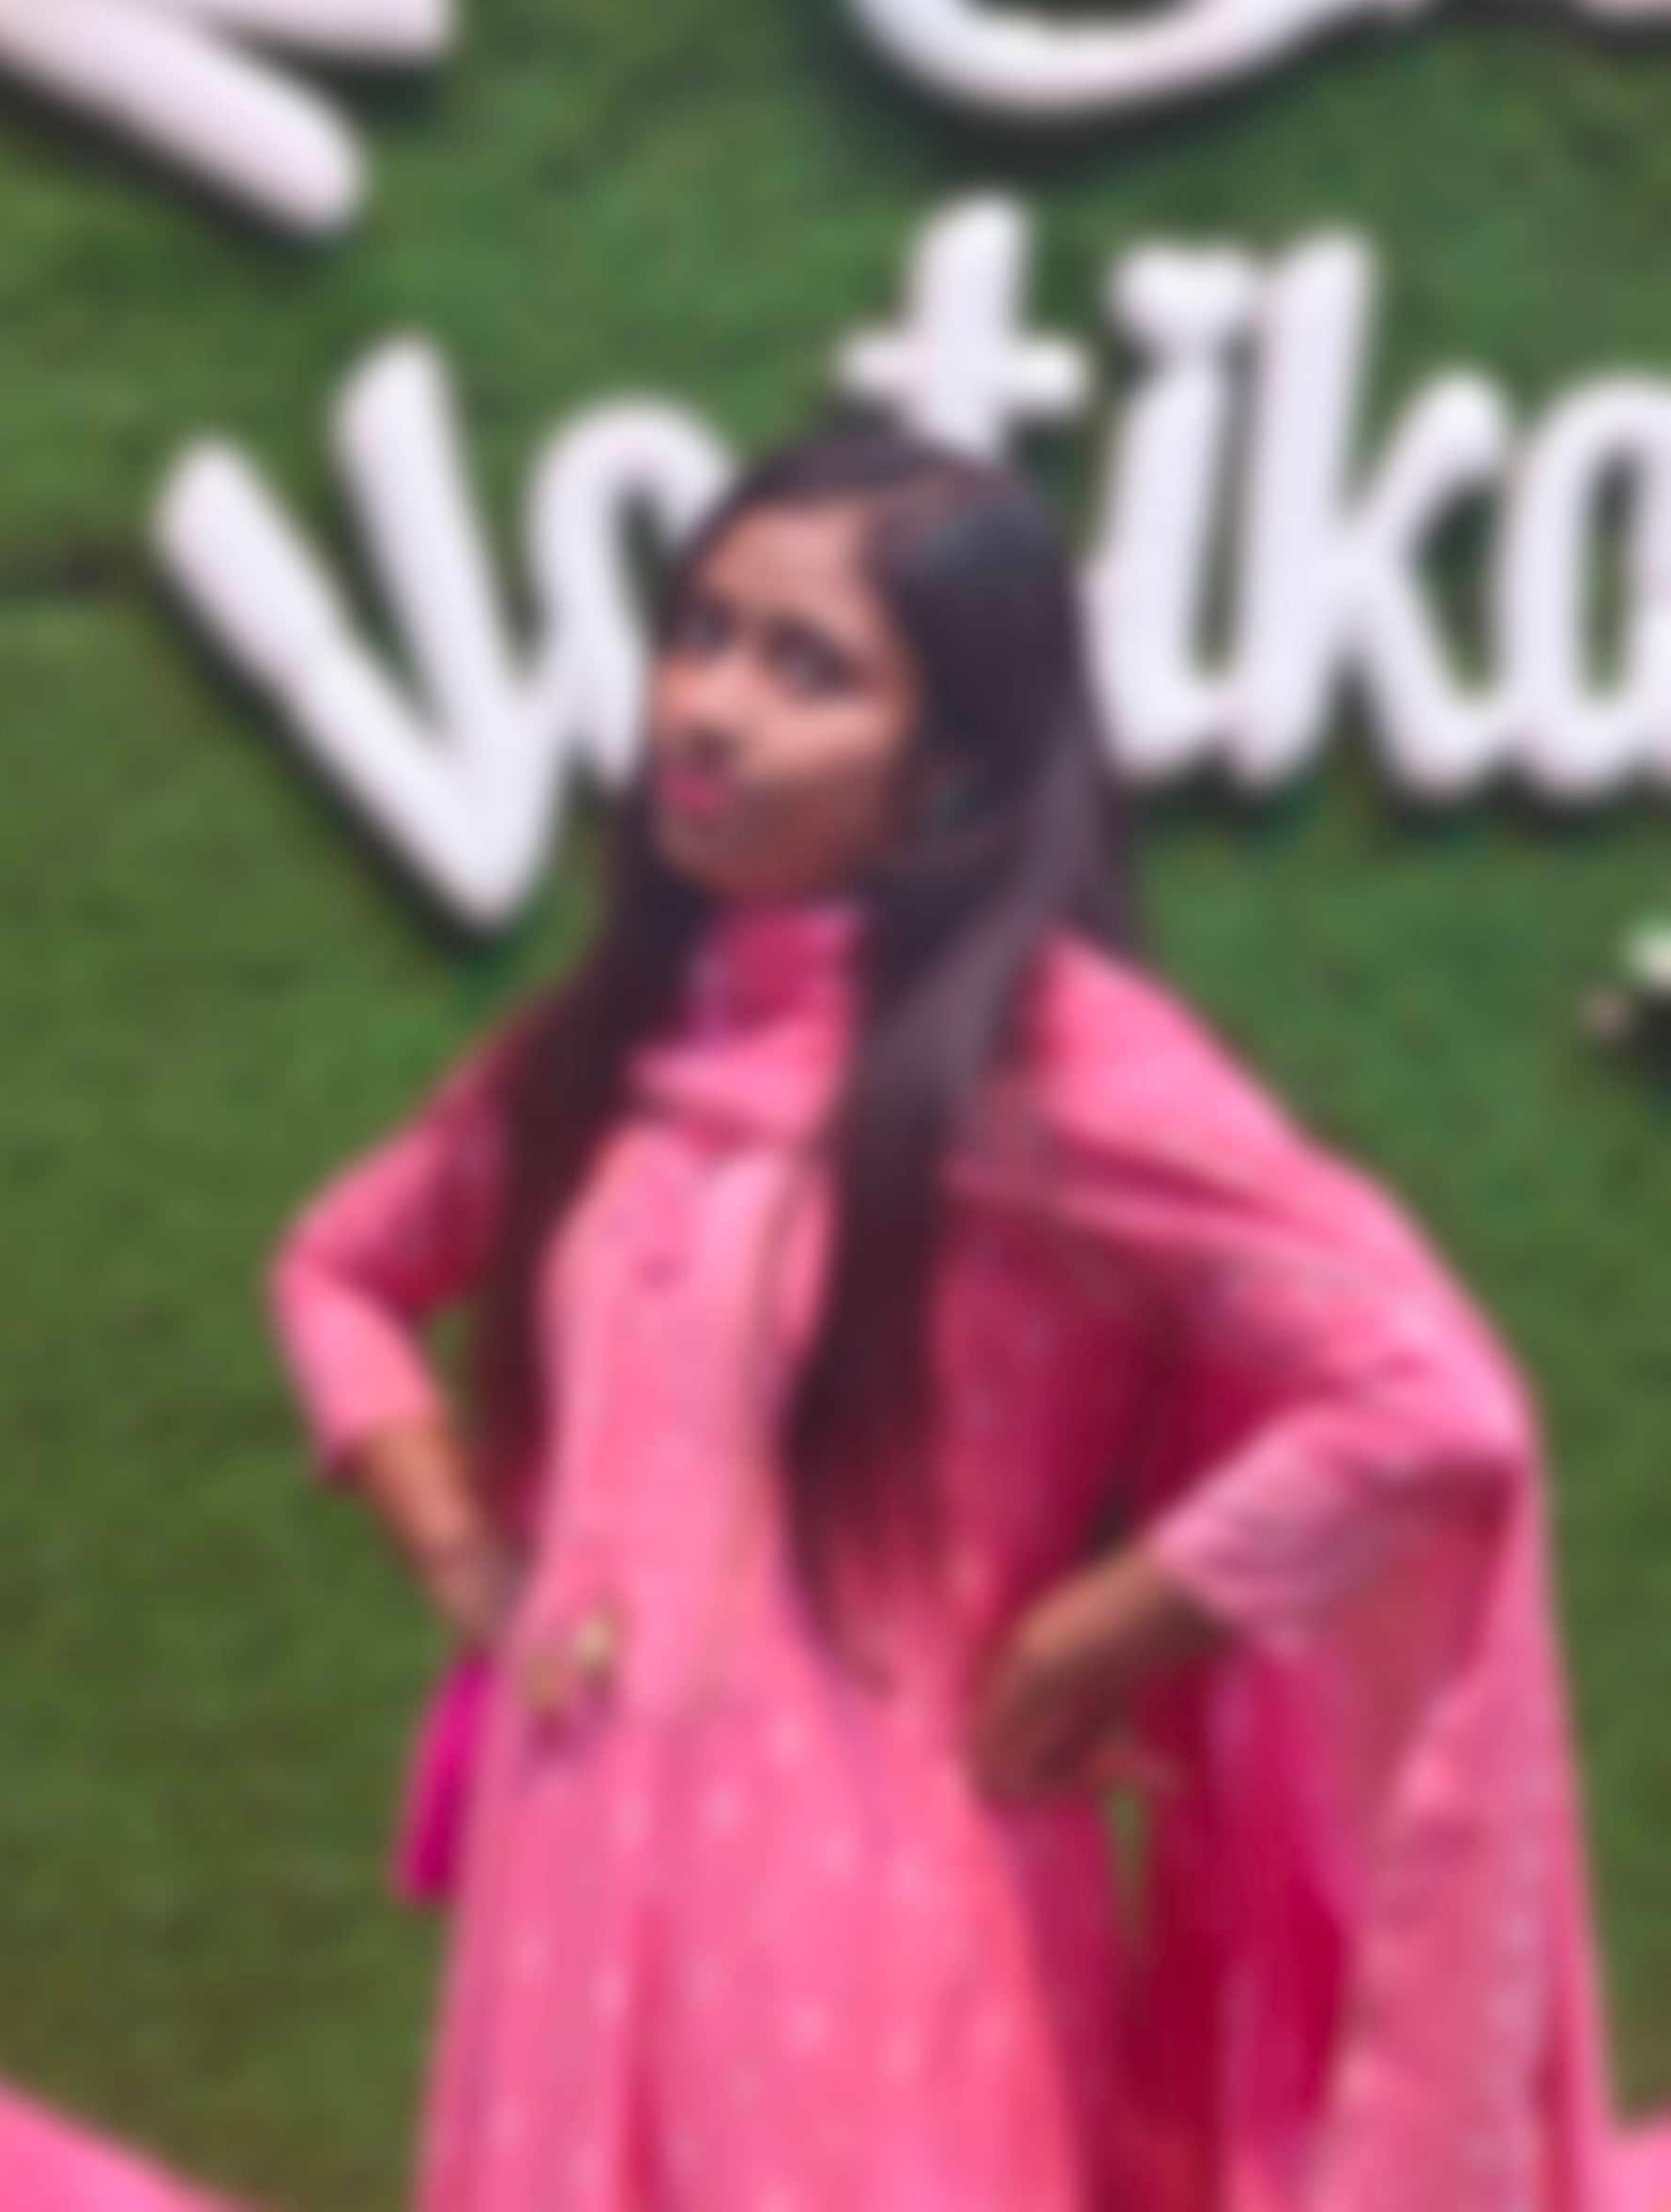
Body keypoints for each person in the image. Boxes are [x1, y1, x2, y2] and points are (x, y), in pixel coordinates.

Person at [263, 416, 1670, 2211]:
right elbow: (339, 1269)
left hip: (875, 1897)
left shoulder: (1052, 1060)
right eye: (702, 632)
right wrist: (469, 1559)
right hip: (570, 1864)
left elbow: (1433, 1396)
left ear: (948, 769)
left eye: (808, 670)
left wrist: (1097, 1636)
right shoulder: (613, 1041)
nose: (709, 707)